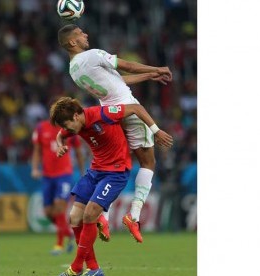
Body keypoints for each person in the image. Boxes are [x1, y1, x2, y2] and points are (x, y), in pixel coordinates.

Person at [58, 24, 173, 243]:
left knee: (116, 163)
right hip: (127, 109)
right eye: (81, 34)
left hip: (107, 114)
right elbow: (127, 66)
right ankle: (134, 216)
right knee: (148, 163)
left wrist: (150, 75)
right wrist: (157, 68)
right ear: (73, 42)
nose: (86, 34)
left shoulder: (73, 69)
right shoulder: (92, 55)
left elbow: (116, 81)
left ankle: (104, 216)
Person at [50, 97, 173, 276]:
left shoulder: (102, 114)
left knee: (90, 213)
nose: (67, 130)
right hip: (95, 171)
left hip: (116, 172)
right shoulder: (74, 125)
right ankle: (94, 269)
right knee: (74, 217)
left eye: (68, 125)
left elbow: (136, 108)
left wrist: (156, 130)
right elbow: (60, 135)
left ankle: (75, 268)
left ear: (76, 116)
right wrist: (60, 145)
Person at [31, 119, 85, 255]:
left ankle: (59, 245)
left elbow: (78, 152)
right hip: (47, 175)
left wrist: (83, 172)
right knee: (48, 212)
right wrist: (35, 168)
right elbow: (37, 150)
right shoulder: (41, 128)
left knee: (59, 206)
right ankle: (69, 232)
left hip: (64, 175)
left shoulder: (69, 128)